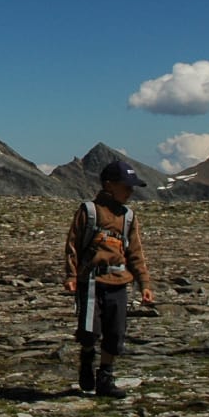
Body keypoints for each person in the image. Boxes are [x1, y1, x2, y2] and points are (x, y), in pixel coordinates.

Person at [64, 160, 155, 398]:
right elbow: (73, 244)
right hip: (91, 282)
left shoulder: (128, 217)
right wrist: (72, 275)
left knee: (115, 332)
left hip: (119, 282)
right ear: (109, 185)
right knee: (89, 331)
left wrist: (144, 284)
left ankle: (105, 376)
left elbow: (135, 252)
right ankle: (87, 356)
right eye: (126, 186)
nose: (130, 191)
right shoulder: (89, 212)